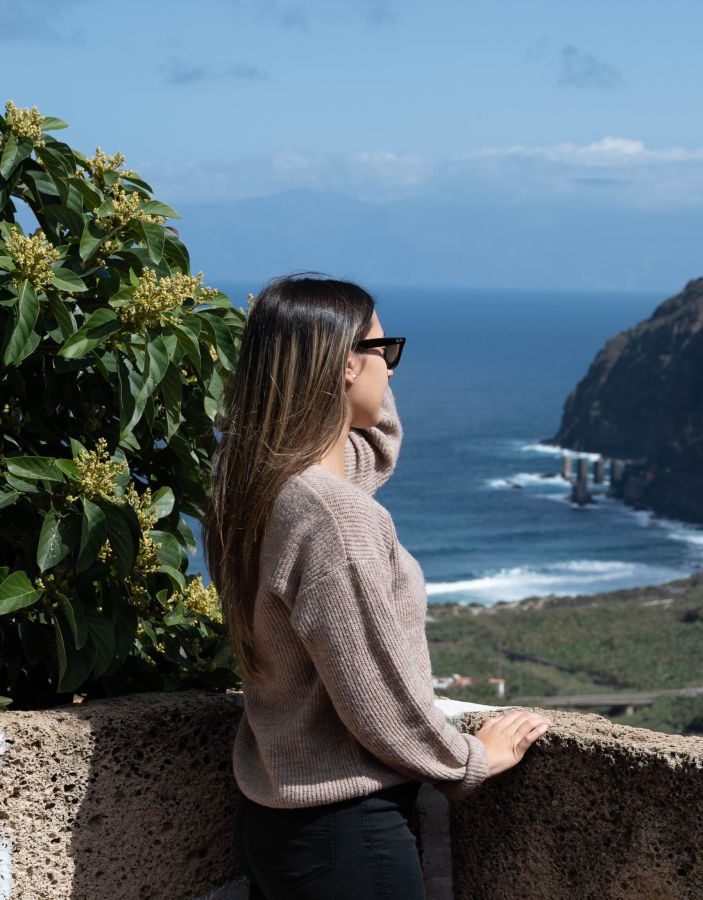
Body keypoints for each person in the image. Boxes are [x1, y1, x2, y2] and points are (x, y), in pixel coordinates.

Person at [202, 273, 552, 899]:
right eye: (385, 353)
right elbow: (377, 696)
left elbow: (375, 447)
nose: (392, 373)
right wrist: (471, 760)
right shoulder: (336, 517)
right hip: (348, 834)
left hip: (280, 823)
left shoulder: (253, 484)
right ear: (343, 366)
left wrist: (342, 363)